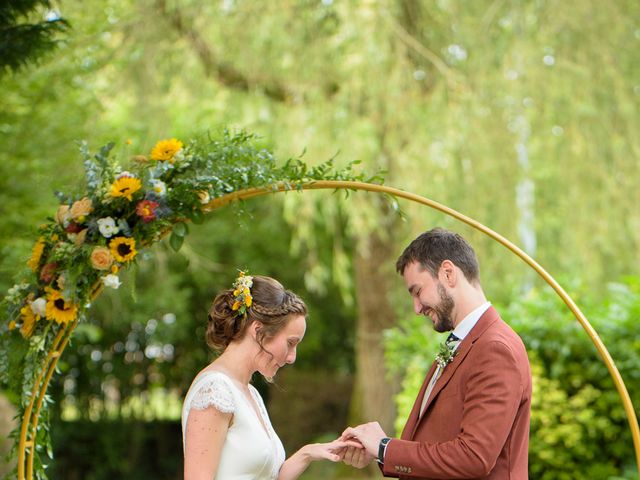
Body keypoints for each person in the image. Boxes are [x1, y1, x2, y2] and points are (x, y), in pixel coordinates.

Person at [341, 228, 532, 479]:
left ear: (448, 273)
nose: (416, 308)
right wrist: (380, 449)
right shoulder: (462, 343)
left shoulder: (496, 348)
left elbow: (474, 457)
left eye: (417, 291)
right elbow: (438, 439)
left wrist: (386, 448)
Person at [182, 272, 360, 479]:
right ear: (259, 331)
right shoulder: (214, 390)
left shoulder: (250, 392)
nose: (292, 357)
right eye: (290, 343)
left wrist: (308, 453)